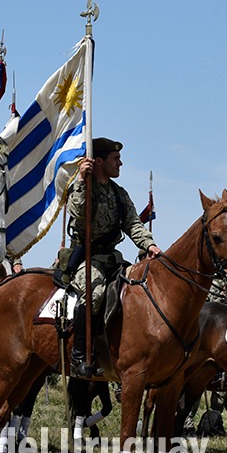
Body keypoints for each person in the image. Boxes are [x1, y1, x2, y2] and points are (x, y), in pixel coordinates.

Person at [62, 137, 161, 379]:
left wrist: (149, 245)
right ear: (98, 161)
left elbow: (133, 223)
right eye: (115, 159)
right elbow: (77, 213)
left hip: (112, 259)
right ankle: (79, 357)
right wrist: (81, 180)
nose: (121, 163)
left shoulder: (119, 193)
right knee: (94, 294)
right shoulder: (82, 188)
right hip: (88, 257)